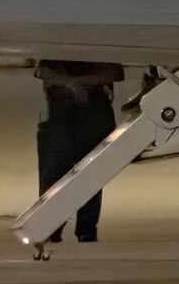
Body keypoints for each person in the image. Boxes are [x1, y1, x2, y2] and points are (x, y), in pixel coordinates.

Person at [35, 59, 124, 243]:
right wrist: (79, 85)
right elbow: (114, 72)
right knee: (76, 173)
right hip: (85, 108)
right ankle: (75, 228)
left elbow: (44, 71)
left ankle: (58, 226)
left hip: (80, 109)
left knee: (62, 173)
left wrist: (73, 85)